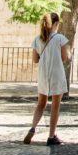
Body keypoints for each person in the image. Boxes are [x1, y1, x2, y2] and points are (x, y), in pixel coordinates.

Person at [25, 13, 70, 146]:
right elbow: (64, 58)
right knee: (55, 105)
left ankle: (33, 127)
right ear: (55, 24)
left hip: (43, 74)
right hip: (57, 73)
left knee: (41, 103)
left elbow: (35, 59)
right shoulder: (60, 38)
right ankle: (51, 135)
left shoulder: (37, 40)